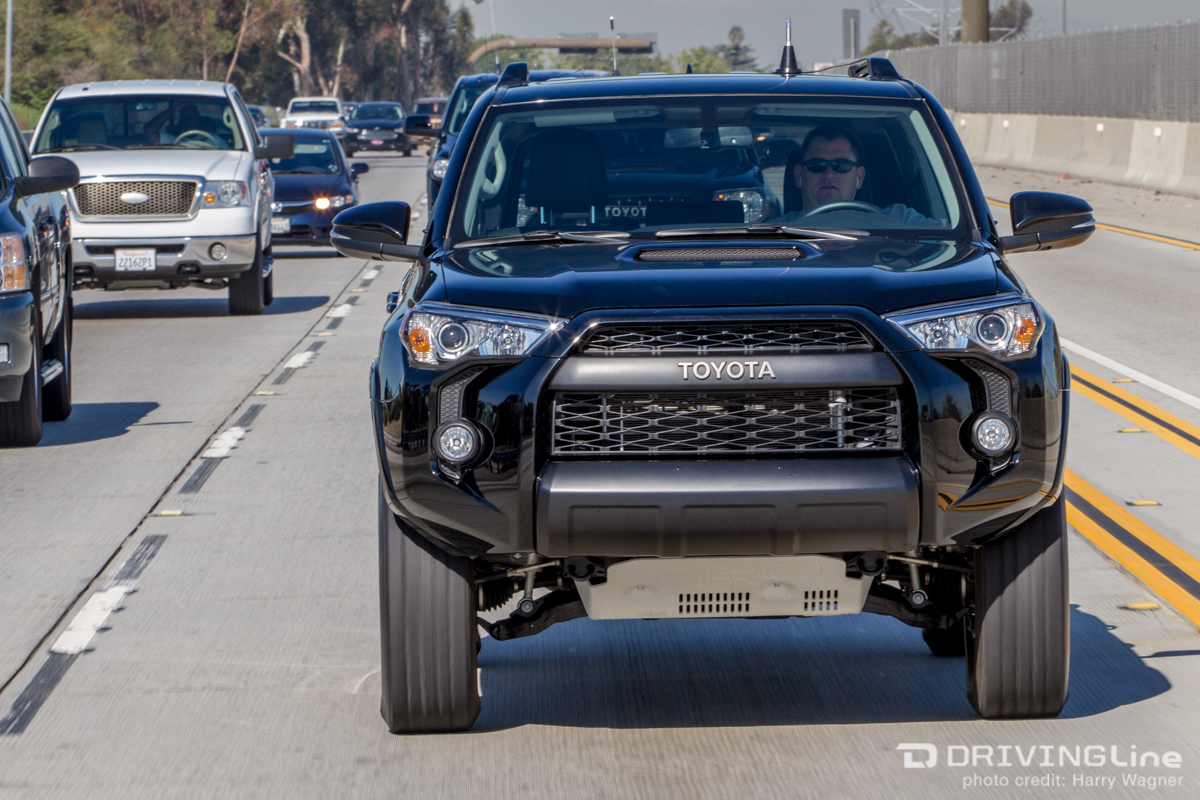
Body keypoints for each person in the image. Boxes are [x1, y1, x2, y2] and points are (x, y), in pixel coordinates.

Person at [771, 124, 932, 223]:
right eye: (817, 165)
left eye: (841, 165)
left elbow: (943, 244)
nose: (829, 174)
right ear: (799, 175)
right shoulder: (774, 233)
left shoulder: (899, 220)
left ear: (859, 177)